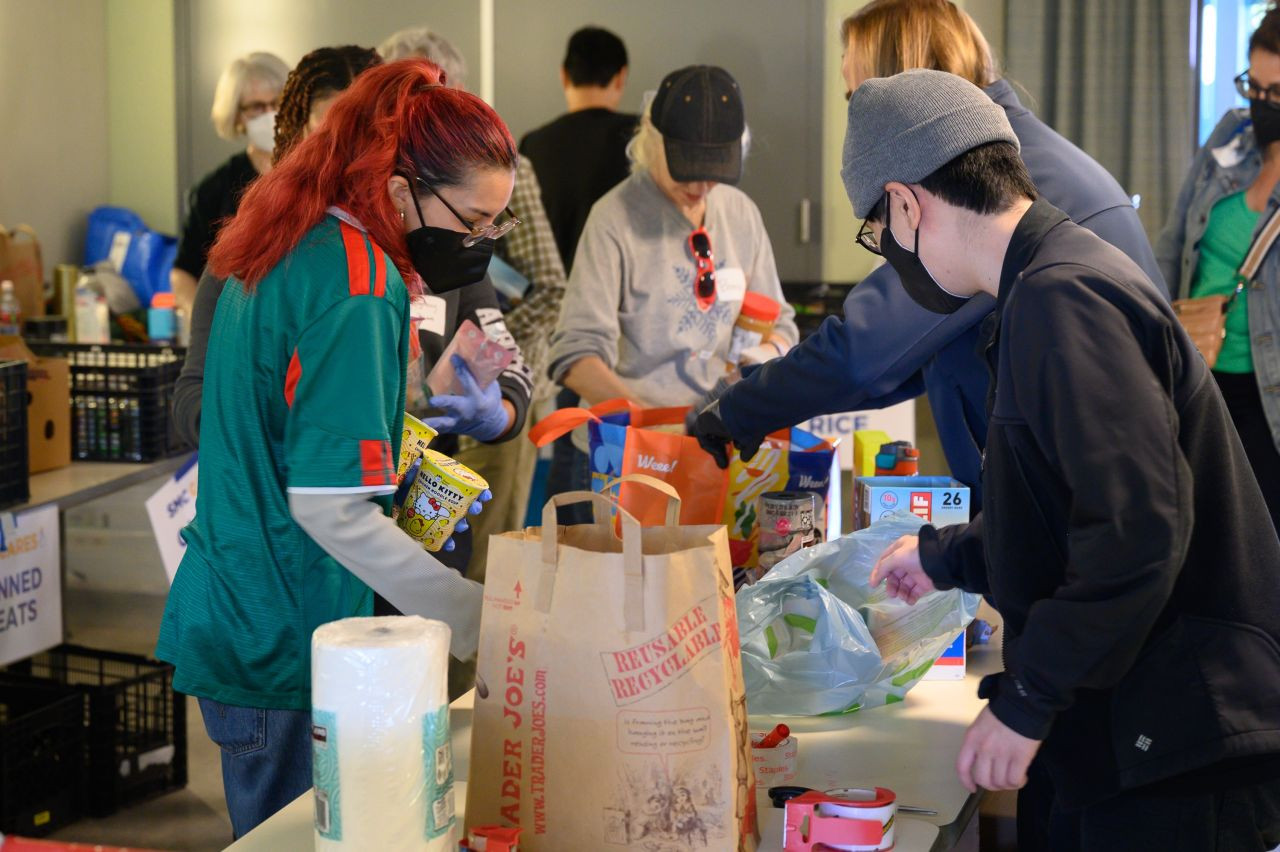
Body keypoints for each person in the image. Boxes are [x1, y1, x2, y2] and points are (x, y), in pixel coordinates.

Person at [845, 69, 1280, 850]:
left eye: (877, 233)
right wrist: (946, 557)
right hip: (1149, 723)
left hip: (1179, 738)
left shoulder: (1064, 297)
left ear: (906, 204)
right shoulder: (1048, 281)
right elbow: (1070, 505)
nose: (890, 256)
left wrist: (1025, 703)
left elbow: (1137, 532)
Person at [156, 59, 519, 837]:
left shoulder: (296, 236)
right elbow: (333, 511)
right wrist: (479, 619)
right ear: (397, 190)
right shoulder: (357, 285)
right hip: (281, 635)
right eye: (475, 222)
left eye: (498, 225)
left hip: (251, 611)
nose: (483, 243)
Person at [692, 0, 1163, 504]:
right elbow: (908, 355)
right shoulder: (1016, 153)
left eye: (859, 96)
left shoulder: (990, 185)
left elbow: (865, 353)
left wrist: (738, 407)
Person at [547, 65, 797, 504]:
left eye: (714, 170)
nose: (701, 187)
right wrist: (648, 422)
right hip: (627, 460)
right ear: (650, 140)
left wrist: (763, 355)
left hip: (716, 451)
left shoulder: (740, 214)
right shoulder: (614, 220)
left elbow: (784, 326)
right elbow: (574, 356)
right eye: (686, 170)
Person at [380, 26, 555, 573]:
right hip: (351, 487)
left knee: (465, 585)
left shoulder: (458, 240)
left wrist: (494, 407)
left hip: (440, 444)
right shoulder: (344, 249)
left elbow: (503, 327)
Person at [172, 45, 381, 448]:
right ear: (299, 134)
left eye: (368, 135)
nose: (351, 157)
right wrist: (272, 438)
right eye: (333, 137)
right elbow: (192, 397)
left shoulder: (415, 242)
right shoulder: (252, 237)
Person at [1157, 7, 1280, 536]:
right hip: (1199, 370)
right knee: (1199, 534)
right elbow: (1174, 240)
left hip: (1269, 395)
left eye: (1277, 93)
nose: (1261, 103)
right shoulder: (1231, 136)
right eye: (1255, 86)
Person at [171, 52, 289, 316]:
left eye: (278, 102)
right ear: (236, 115)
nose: (271, 115)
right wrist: (204, 324)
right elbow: (184, 272)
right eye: (256, 107)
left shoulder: (312, 174)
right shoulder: (214, 189)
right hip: (237, 324)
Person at [520, 25, 638, 272]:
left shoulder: (533, 145)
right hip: (623, 294)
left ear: (564, 75)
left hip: (553, 299)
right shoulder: (642, 139)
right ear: (621, 77)